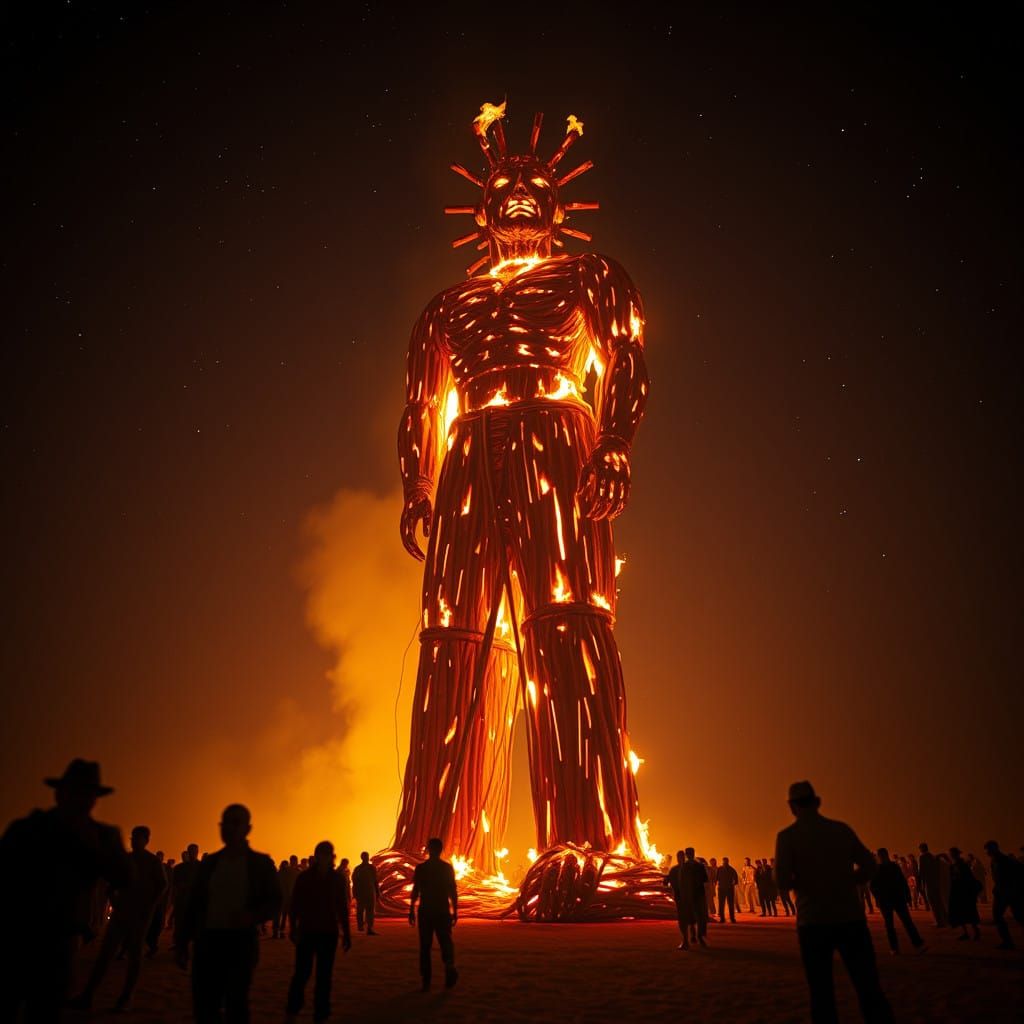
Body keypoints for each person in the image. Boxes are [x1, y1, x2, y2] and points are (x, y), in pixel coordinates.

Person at [0, 759, 131, 1022]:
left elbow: (125, 877)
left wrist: (97, 846)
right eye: (77, 792)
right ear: (60, 793)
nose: (82, 801)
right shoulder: (29, 829)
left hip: (59, 943)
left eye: (88, 795)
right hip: (17, 936)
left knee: (45, 1009)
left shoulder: (100, 836)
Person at [775, 781, 893, 1024]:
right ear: (817, 802)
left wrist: (807, 882)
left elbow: (782, 881)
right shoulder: (840, 830)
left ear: (792, 806)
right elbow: (870, 866)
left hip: (813, 921)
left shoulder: (788, 837)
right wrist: (847, 880)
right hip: (850, 918)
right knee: (868, 987)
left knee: (821, 994)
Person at [176, 804, 281, 1023]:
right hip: (208, 943)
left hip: (240, 944)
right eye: (226, 824)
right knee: (205, 1006)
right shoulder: (210, 864)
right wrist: (182, 941)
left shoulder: (260, 864)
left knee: (236, 1004)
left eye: (236, 823)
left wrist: (252, 917)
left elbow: (275, 901)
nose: (230, 829)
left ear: (247, 828)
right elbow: (193, 904)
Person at [70, 824, 167, 1011]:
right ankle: (88, 995)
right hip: (121, 913)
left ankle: (126, 996)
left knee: (134, 957)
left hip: (139, 915)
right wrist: (114, 899)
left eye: (138, 838)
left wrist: (150, 906)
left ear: (146, 841)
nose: (134, 841)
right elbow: (111, 884)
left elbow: (162, 885)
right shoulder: (126, 859)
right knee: (105, 954)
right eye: (133, 837)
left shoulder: (152, 862)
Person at [285, 841, 351, 1024]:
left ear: (331, 857)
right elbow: (295, 905)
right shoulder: (304, 878)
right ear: (317, 856)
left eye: (327, 854)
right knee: (302, 973)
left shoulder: (337, 880)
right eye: (321, 854)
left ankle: (320, 1014)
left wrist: (346, 933)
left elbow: (342, 908)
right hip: (308, 931)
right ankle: (293, 1010)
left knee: (324, 976)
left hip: (328, 932)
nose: (324, 858)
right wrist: (294, 927)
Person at [409, 837, 458, 991]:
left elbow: (416, 889)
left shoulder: (421, 868)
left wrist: (411, 908)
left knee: (425, 945)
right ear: (441, 850)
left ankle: (426, 980)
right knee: (445, 942)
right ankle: (449, 966)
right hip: (442, 910)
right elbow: (452, 890)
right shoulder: (446, 868)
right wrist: (455, 910)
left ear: (428, 849)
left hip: (426, 911)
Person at [869, 848, 926, 955]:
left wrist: (879, 898)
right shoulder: (893, 866)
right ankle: (916, 944)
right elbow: (902, 882)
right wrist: (907, 897)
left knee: (892, 925)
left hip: (888, 900)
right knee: (905, 922)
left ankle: (895, 948)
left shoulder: (878, 869)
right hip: (897, 899)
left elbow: (873, 887)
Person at [984, 839, 1024, 950]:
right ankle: (1007, 942)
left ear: (995, 848)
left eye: (988, 849)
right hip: (1002, 893)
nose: (987, 852)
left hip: (1010, 893)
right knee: (999, 916)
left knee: (1018, 916)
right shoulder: (994, 861)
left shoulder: (1006, 860)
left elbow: (1019, 873)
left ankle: (1008, 942)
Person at [171, 843, 201, 950]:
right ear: (188, 852)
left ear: (197, 852)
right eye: (191, 851)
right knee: (180, 925)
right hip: (182, 901)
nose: (193, 853)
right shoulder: (179, 868)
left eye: (195, 851)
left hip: (197, 902)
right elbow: (175, 884)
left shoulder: (203, 867)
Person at [947, 847, 981, 941]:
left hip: (964, 892)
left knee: (969, 912)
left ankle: (975, 931)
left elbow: (968, 878)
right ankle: (965, 933)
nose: (951, 856)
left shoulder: (962, 865)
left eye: (952, 854)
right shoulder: (953, 865)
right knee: (960, 913)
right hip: (957, 891)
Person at [352, 851, 382, 935]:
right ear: (362, 858)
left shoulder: (371, 868)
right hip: (364, 892)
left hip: (369, 892)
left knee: (369, 911)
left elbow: (375, 881)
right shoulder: (359, 869)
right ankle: (362, 926)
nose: (366, 858)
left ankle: (369, 928)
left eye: (367, 856)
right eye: (365, 856)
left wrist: (377, 892)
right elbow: (355, 881)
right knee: (362, 910)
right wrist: (355, 893)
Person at [918, 842, 947, 926]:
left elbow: (921, 872)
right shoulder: (932, 856)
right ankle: (944, 919)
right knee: (938, 901)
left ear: (922, 849)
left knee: (932, 902)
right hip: (935, 882)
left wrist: (920, 883)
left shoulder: (922, 857)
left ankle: (938, 921)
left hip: (928, 882)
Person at [716, 856, 739, 923]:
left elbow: (716, 879)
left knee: (725, 904)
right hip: (726, 888)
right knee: (726, 904)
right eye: (724, 861)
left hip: (725, 888)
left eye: (725, 861)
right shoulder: (730, 869)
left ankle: (725, 918)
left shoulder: (721, 869)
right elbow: (736, 879)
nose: (724, 862)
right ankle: (729, 918)